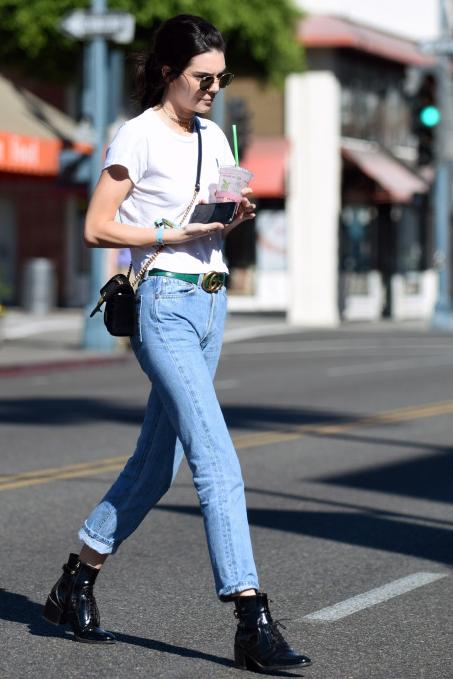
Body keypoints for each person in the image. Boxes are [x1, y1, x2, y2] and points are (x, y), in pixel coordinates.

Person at [43, 14, 311, 672]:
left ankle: (74, 581)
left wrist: (232, 213)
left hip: (211, 302)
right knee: (217, 459)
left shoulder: (216, 135)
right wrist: (170, 231)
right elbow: (98, 228)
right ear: (167, 72)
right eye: (201, 78)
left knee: (156, 465)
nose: (212, 88)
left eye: (219, 78)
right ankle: (251, 616)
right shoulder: (136, 135)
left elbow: (214, 218)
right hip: (163, 304)